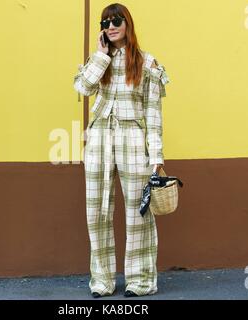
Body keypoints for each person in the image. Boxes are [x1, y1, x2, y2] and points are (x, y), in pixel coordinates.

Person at [73, 3, 170, 298]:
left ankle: (140, 281)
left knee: (137, 213)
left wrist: (156, 158)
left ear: (128, 23)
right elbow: (83, 88)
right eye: (105, 22)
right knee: (97, 211)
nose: (111, 25)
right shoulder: (96, 60)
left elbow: (153, 114)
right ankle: (102, 281)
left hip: (131, 136)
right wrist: (102, 56)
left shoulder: (145, 62)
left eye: (117, 20)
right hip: (100, 137)